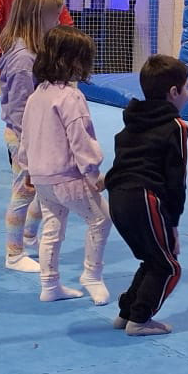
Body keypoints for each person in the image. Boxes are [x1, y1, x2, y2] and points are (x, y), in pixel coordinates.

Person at [19, 27, 111, 304]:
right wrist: (93, 172)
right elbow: (80, 137)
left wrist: (27, 169)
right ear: (73, 62)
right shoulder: (70, 97)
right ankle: (92, 275)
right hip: (67, 177)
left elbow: (26, 136)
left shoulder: (37, 95)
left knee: (52, 226)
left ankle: (49, 284)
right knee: (101, 220)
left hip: (42, 177)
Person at [105, 55, 188, 337]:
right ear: (174, 92)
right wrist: (174, 224)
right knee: (169, 266)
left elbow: (123, 158)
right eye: (187, 88)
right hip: (143, 198)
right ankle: (140, 319)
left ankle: (127, 312)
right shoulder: (177, 127)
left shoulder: (132, 121)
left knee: (153, 259)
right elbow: (177, 179)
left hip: (117, 198)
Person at [0, 0, 65, 272]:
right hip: (25, 137)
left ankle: (28, 237)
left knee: (43, 189)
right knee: (23, 191)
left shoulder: (35, 50)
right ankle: (13, 254)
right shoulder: (23, 59)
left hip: (39, 134)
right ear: (38, 17)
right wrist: (29, 145)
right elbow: (19, 108)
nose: (58, 21)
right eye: (53, 16)